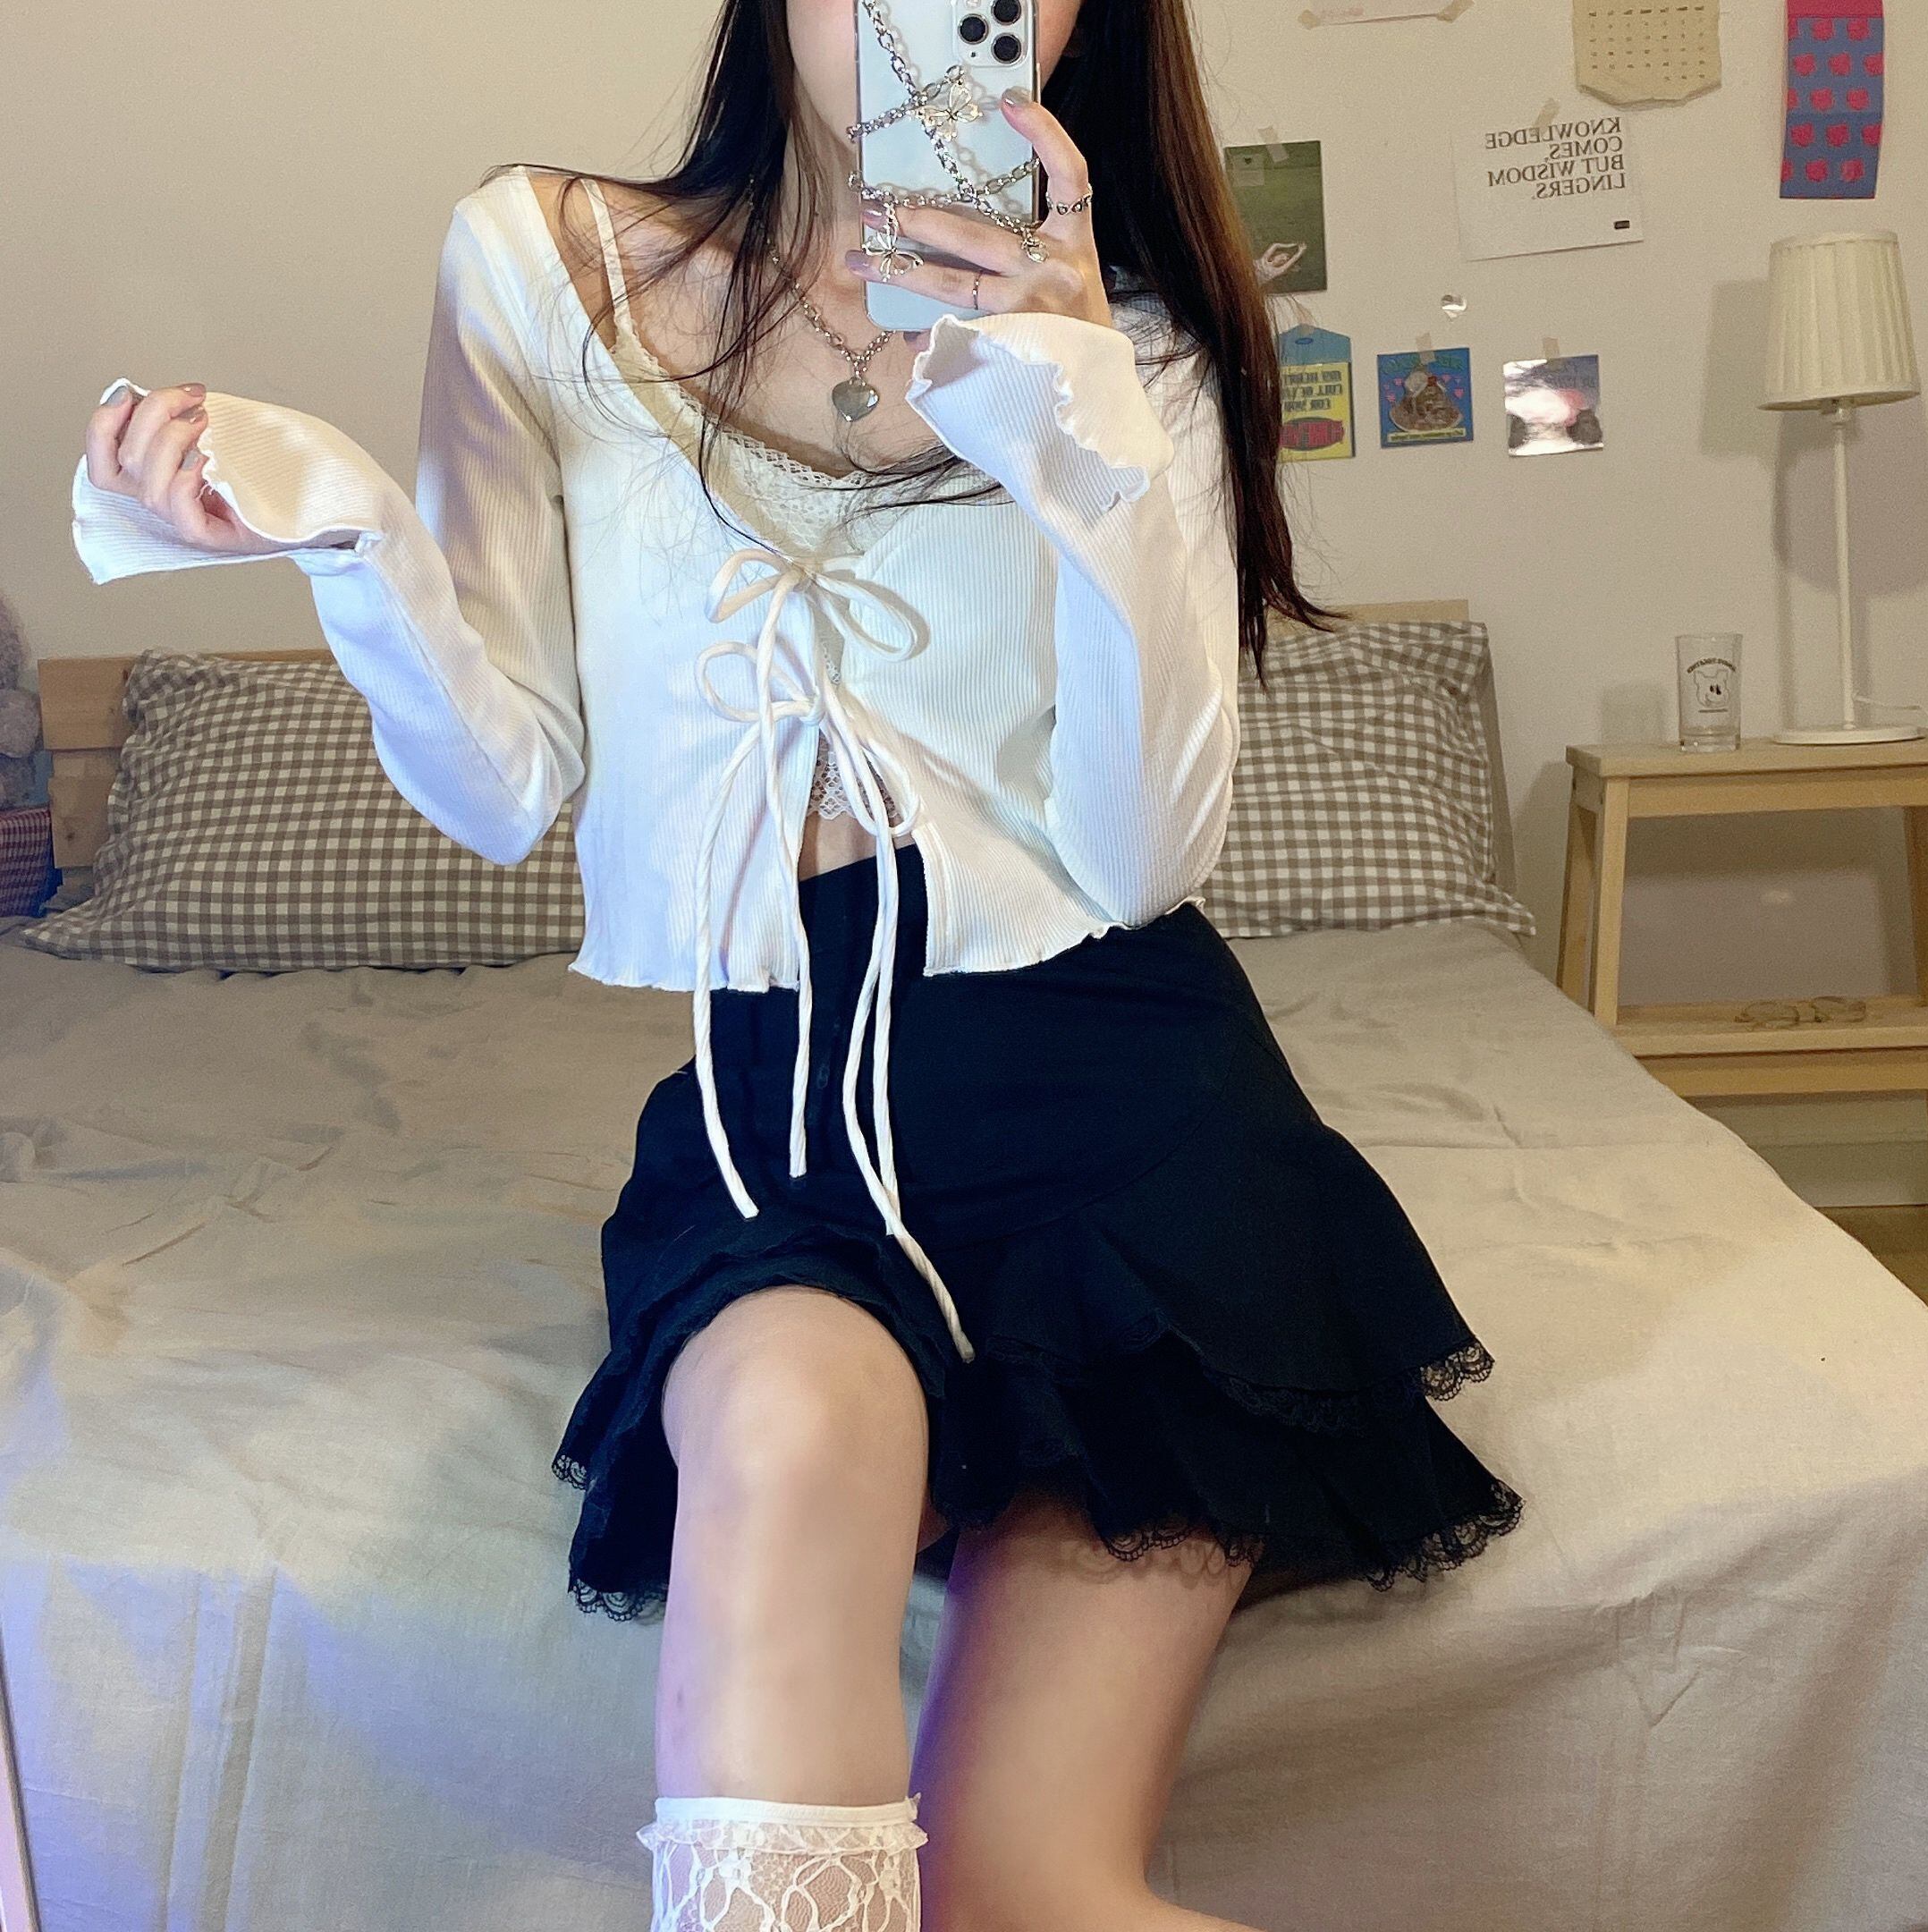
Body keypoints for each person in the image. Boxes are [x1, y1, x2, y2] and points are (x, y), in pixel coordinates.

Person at [72, 1, 1526, 1924]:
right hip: (781, 1129)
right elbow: (506, 786)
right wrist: (348, 533)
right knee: (781, 1432)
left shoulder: (1137, 341)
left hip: (1133, 1120)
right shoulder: (547, 266)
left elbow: (1144, 856)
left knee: (1014, 1887)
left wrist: (1077, 410)